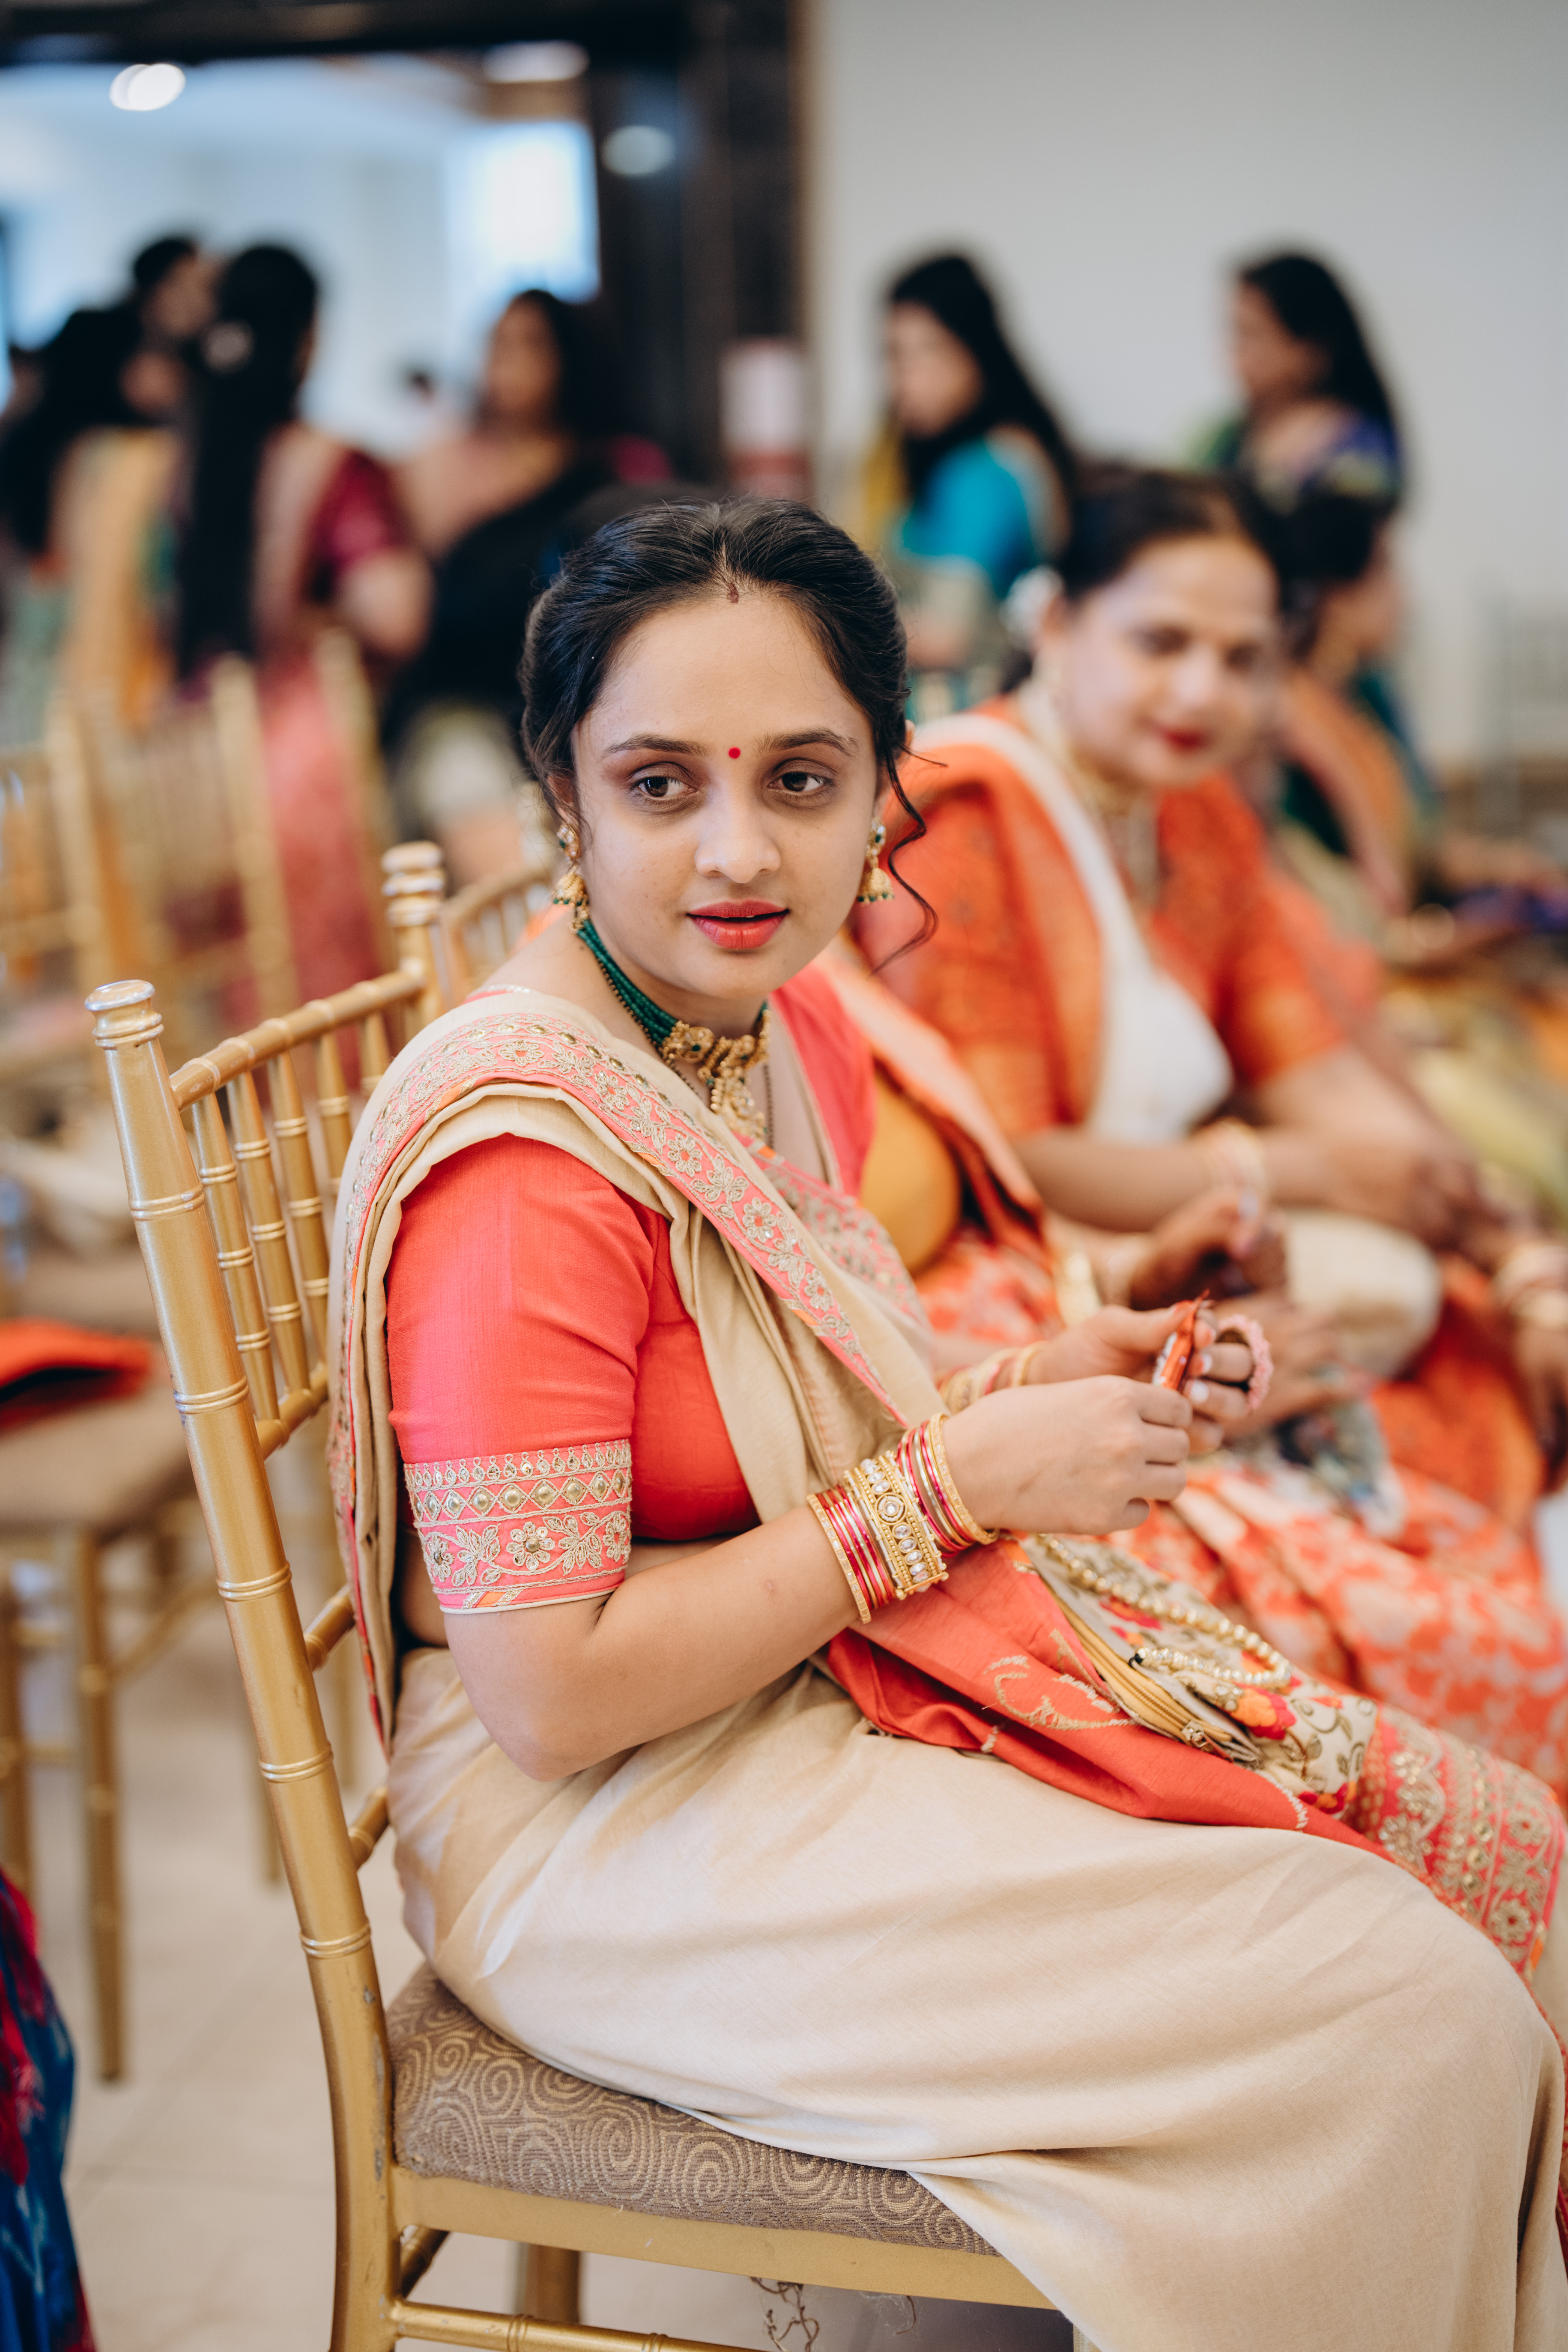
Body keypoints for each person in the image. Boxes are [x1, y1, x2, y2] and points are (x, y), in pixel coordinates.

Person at [330, 497, 1568, 2352]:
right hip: (596, 1830)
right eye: (659, 784)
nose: (737, 849)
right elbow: (549, 1694)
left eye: (800, 780)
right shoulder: (528, 1166)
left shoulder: (762, 1029)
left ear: (878, 792)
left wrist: (1032, 1379)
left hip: (777, 1709)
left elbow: (793, 1425)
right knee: (1411, 2007)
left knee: (1470, 1841)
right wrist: (951, 1483)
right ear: (559, 796)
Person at [856, 465, 1568, 1536]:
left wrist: (1519, 1263)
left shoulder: (1191, 809)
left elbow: (1316, 1064)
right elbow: (1009, 1155)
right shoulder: (966, 822)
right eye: (1161, 642)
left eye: (1242, 660)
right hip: (1024, 1259)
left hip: (1192, 1230)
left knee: (1473, 1329)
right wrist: (1297, 1170)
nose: (1201, 692)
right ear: (1057, 623)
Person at [174, 243, 430, 1009]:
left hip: (190, 747)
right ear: (309, 338)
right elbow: (396, 615)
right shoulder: (329, 465)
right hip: (296, 751)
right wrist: (326, 612)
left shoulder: (183, 467)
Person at [389, 290, 671, 883]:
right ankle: (543, 931)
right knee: (464, 776)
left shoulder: (620, 469)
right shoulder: (441, 468)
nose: (508, 364)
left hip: (592, 703)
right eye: (497, 345)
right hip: (468, 709)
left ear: (570, 357)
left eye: (530, 346)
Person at [852, 254, 1075, 720]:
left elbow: (947, 634)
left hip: (969, 719)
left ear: (975, 349)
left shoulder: (985, 472)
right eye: (894, 355)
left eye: (928, 351)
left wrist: (825, 618)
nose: (905, 378)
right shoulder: (942, 455)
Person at [0, 303, 171, 743]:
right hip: (92, 651)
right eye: (145, 355)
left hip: (29, 647)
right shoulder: (129, 457)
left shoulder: (30, 440)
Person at [1191, 250, 1402, 512]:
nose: (1235, 351)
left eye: (1250, 334)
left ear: (1311, 351)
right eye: (1234, 333)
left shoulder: (1363, 455)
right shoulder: (1220, 439)